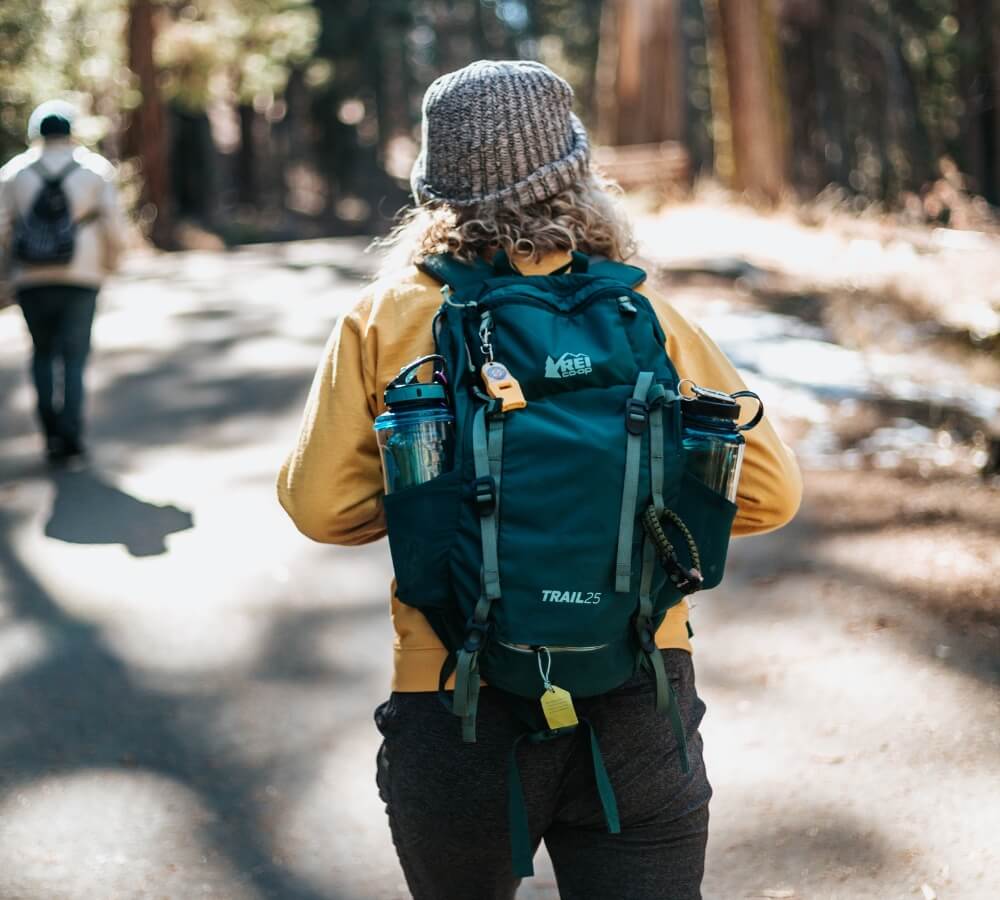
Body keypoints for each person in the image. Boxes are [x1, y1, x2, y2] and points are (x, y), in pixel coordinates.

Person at [278, 60, 802, 899]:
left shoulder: (386, 317)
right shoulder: (643, 318)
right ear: (580, 173)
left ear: (435, 190)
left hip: (457, 699)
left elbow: (320, 506)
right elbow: (772, 491)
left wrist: (439, 497)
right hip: (638, 693)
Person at [0, 100, 126, 463]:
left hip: (30, 277)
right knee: (74, 357)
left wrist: (14, 267)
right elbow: (114, 226)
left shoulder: (13, 173)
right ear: (71, 131)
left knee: (41, 353)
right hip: (82, 274)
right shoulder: (94, 170)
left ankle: (49, 432)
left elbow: (4, 228)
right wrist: (111, 265)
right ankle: (70, 435)